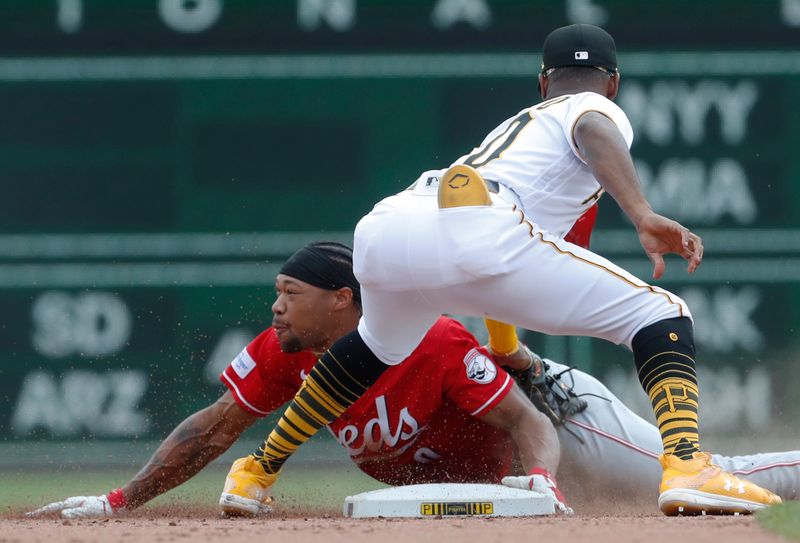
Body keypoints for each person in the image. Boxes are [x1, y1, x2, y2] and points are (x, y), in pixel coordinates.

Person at [227, 23, 781, 516]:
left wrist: (507, 347)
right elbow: (593, 129)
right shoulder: (592, 110)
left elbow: (501, 275)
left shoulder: (518, 130)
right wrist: (641, 213)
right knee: (662, 311)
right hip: (480, 219)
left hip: (390, 225)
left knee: (373, 347)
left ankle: (255, 473)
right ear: (613, 83)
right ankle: (686, 466)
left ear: (543, 81)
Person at [28, 243, 798, 519]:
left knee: (703, 482)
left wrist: (538, 479)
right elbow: (214, 428)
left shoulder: (431, 339)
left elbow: (526, 425)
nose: (275, 306)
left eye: (289, 293)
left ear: (343, 300)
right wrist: (119, 500)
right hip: (495, 478)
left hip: (561, 426)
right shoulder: (281, 349)